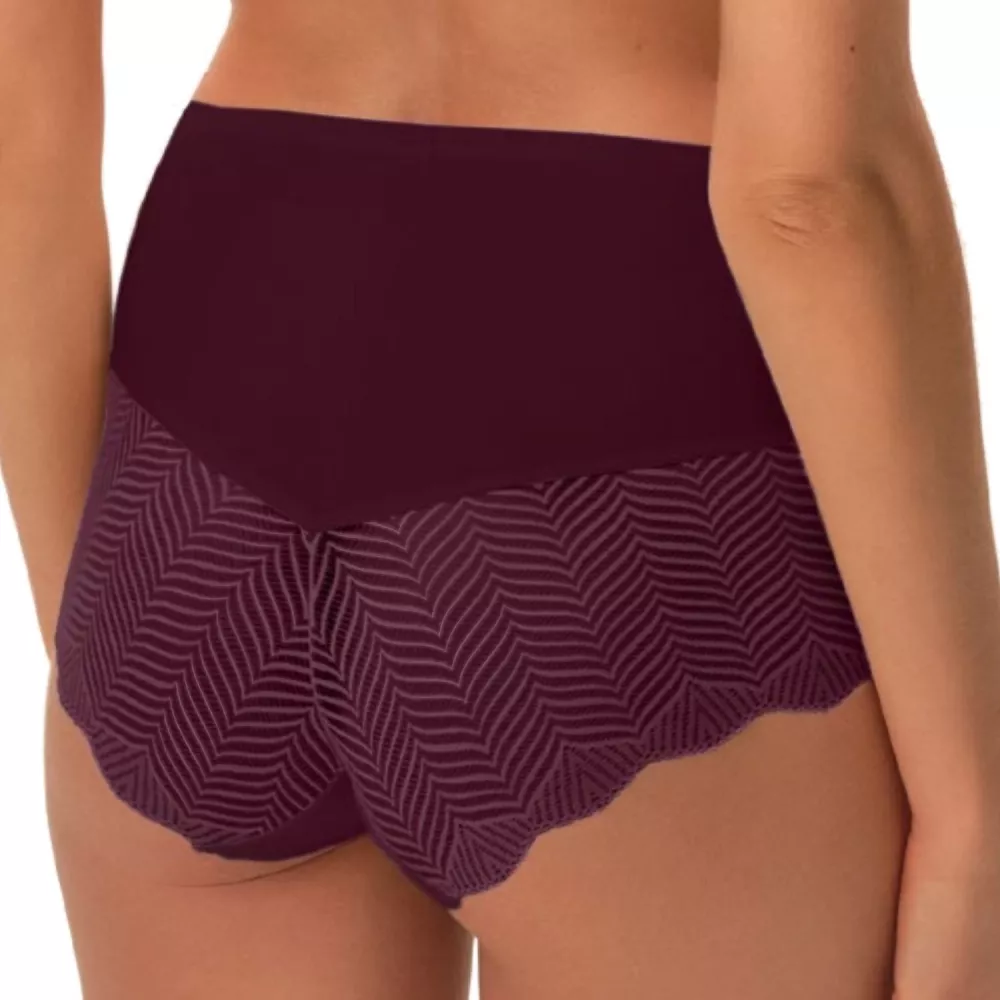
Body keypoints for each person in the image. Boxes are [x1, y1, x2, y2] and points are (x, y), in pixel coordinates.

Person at [1, 0, 998, 996]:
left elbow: (20, 128)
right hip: (620, 463)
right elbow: (809, 190)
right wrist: (971, 812)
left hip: (198, 453)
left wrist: (105, 641)